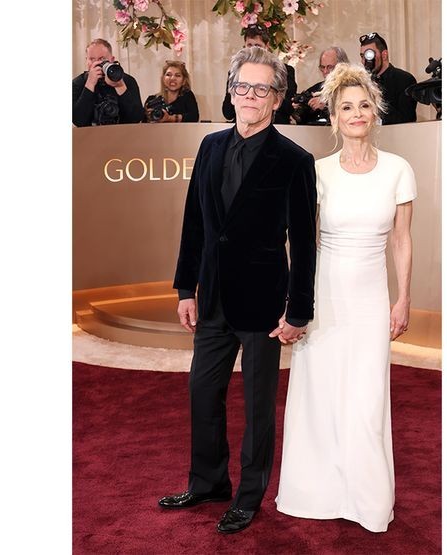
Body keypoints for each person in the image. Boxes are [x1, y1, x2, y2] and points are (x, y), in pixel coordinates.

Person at [159, 45, 317, 535]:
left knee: (257, 405)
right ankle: (208, 482)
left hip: (265, 302)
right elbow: (194, 223)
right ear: (231, 93)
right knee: (202, 391)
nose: (249, 95)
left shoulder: (294, 160)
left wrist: (299, 309)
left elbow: (304, 241)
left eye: (260, 89)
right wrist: (186, 288)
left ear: (277, 98)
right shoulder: (209, 146)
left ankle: (249, 496)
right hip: (212, 298)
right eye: (241, 86)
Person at [275, 62, 416, 533]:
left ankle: (366, 499)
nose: (356, 114)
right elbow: (302, 242)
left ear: (375, 112)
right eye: (346, 108)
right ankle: (315, 491)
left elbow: (401, 240)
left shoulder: (398, 170)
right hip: (324, 295)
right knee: (319, 393)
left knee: (367, 396)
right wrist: (296, 303)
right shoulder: (317, 172)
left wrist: (403, 299)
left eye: (363, 106)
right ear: (333, 118)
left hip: (372, 299)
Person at [221, 26, 298, 125]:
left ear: (267, 46)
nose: (253, 50)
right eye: (249, 45)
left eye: (257, 45)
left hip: (276, 125)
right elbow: (228, 112)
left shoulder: (285, 71)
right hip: (242, 125)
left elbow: (287, 108)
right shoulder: (236, 71)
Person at [72, 39, 143, 126]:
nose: (97, 63)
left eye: (102, 59)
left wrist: (120, 86)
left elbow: (136, 118)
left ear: (112, 60)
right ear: (86, 61)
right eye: (92, 59)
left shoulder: (127, 81)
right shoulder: (78, 83)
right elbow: (78, 121)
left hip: (123, 133)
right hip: (90, 134)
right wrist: (90, 84)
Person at [358, 32, 418, 125]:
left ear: (384, 55)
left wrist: (375, 97)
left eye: (369, 55)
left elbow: (406, 120)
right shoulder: (360, 83)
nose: (365, 61)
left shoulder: (404, 80)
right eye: (362, 56)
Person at [290, 46, 349, 125]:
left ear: (342, 66)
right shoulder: (315, 89)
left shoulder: (352, 88)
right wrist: (299, 108)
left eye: (330, 67)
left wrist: (327, 106)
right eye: (322, 67)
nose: (325, 71)